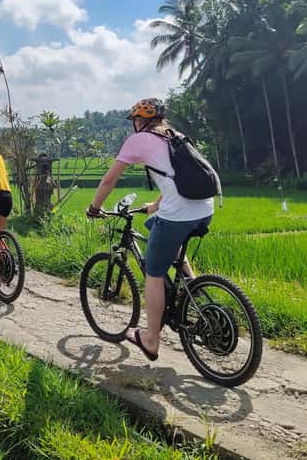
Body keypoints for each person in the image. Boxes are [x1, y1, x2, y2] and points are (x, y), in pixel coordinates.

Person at [86, 98, 213, 362]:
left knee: (153, 273)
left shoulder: (138, 140)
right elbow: (177, 177)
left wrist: (95, 207)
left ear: (138, 120)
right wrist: (155, 205)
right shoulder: (174, 135)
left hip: (178, 214)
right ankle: (192, 286)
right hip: (205, 209)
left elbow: (109, 179)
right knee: (155, 224)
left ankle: (151, 340)